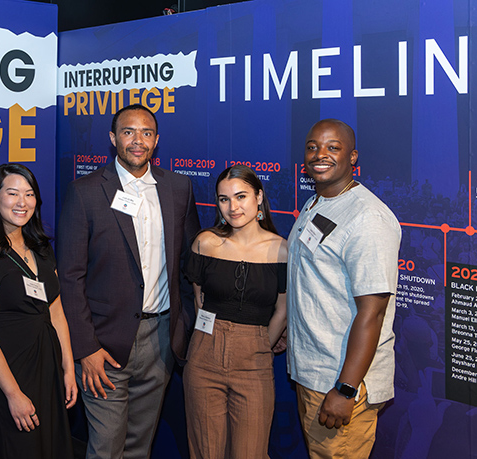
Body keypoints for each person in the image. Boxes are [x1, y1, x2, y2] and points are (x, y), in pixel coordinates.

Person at [58, 104, 201, 459]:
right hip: (103, 344)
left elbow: (188, 264)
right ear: (113, 138)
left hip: (162, 340)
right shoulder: (85, 192)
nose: (137, 141)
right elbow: (71, 278)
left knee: (140, 445)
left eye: (146, 133)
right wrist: (86, 348)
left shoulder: (178, 187)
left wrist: (183, 325)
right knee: (106, 447)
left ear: (156, 141)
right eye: (128, 132)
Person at [287, 119, 400, 458]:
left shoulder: (368, 219)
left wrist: (346, 389)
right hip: (314, 372)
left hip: (339, 382)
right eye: (312, 147)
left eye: (332, 147)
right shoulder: (318, 202)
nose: (320, 154)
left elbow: (373, 311)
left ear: (353, 157)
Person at [0, 163, 77, 458]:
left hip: (49, 372)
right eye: (12, 193)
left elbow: (57, 313)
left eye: (29, 194)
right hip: (11, 378)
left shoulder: (42, 248)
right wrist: (13, 394)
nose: (21, 202)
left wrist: (67, 369)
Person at [183, 165, 287, 459]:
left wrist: (258, 346)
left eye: (241, 196)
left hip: (255, 360)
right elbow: (199, 300)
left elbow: (283, 310)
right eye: (223, 199)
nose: (233, 207)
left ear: (259, 197)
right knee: (205, 452)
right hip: (204, 356)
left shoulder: (282, 250)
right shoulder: (205, 242)